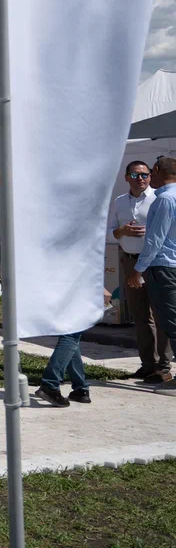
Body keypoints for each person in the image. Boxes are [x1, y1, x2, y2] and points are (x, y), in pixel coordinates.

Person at [111, 161, 172, 383]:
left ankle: (164, 367)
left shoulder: (160, 198)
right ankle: (148, 364)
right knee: (140, 317)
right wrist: (121, 231)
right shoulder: (119, 202)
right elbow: (109, 232)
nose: (141, 178)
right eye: (135, 175)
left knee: (161, 316)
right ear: (127, 177)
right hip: (129, 261)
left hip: (155, 264)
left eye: (145, 174)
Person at [134, 155, 176, 392]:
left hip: (164, 267)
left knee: (170, 321)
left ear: (158, 170)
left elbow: (155, 240)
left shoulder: (165, 200)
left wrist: (138, 269)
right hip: (172, 265)